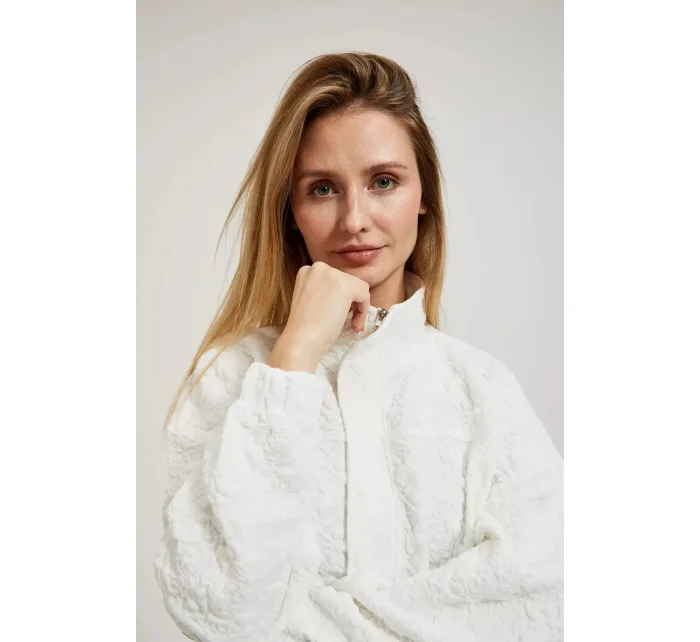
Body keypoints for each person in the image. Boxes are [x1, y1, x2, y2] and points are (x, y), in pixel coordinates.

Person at [153, 52, 564, 642]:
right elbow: (219, 609)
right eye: (322, 189)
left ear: (423, 195)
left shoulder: (482, 388)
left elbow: (546, 598)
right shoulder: (231, 376)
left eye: (383, 182)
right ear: (290, 212)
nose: (354, 219)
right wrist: (294, 359)